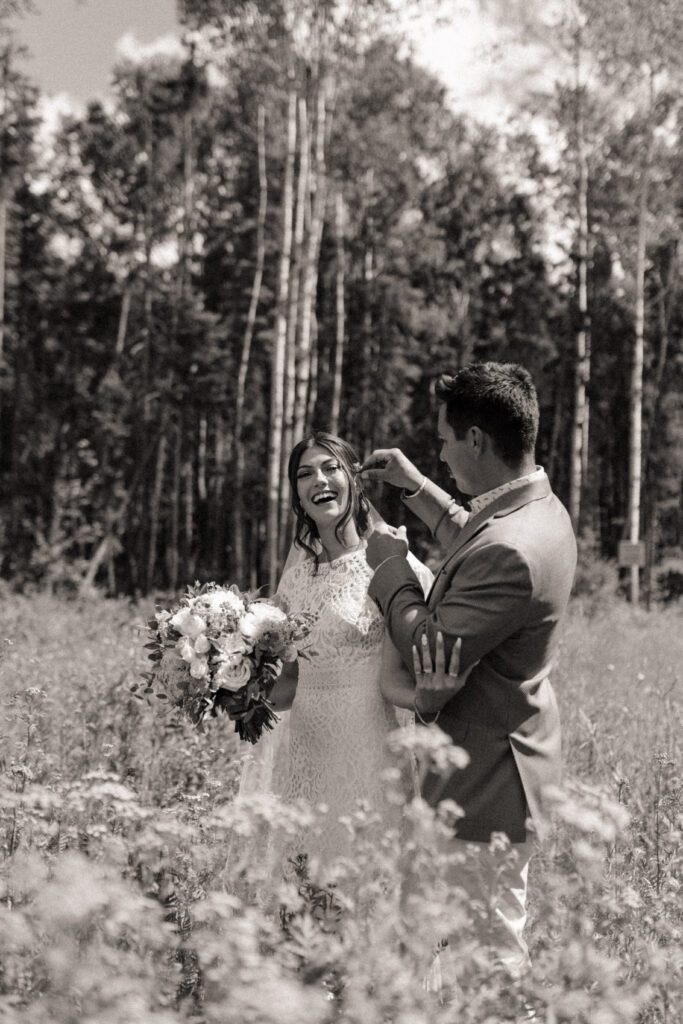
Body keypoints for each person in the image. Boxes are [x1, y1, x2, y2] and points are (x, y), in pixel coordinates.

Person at [360, 361, 577, 978]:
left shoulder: (512, 548)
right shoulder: (538, 508)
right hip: (495, 764)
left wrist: (392, 570)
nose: (443, 452)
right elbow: (471, 538)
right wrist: (417, 486)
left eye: (446, 441)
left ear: (476, 439)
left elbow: (430, 645)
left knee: (493, 967)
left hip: (485, 780)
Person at [248, 431, 436, 882]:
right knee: (306, 884)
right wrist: (231, 688)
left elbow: (418, 669)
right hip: (306, 756)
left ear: (354, 478)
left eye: (330, 468)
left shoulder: (393, 563)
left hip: (370, 752)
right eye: (305, 474)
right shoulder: (293, 582)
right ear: (296, 494)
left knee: (366, 880)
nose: (319, 480)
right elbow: (292, 681)